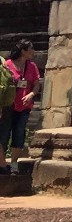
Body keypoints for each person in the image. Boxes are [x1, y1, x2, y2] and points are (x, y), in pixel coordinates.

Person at [2, 39, 40, 176]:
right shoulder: (7, 65)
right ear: (23, 51)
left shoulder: (31, 66)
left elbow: (36, 84)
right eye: (31, 49)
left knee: (19, 133)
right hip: (8, 105)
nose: (33, 51)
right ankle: (2, 163)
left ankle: (13, 163)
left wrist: (31, 94)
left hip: (24, 106)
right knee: (4, 133)